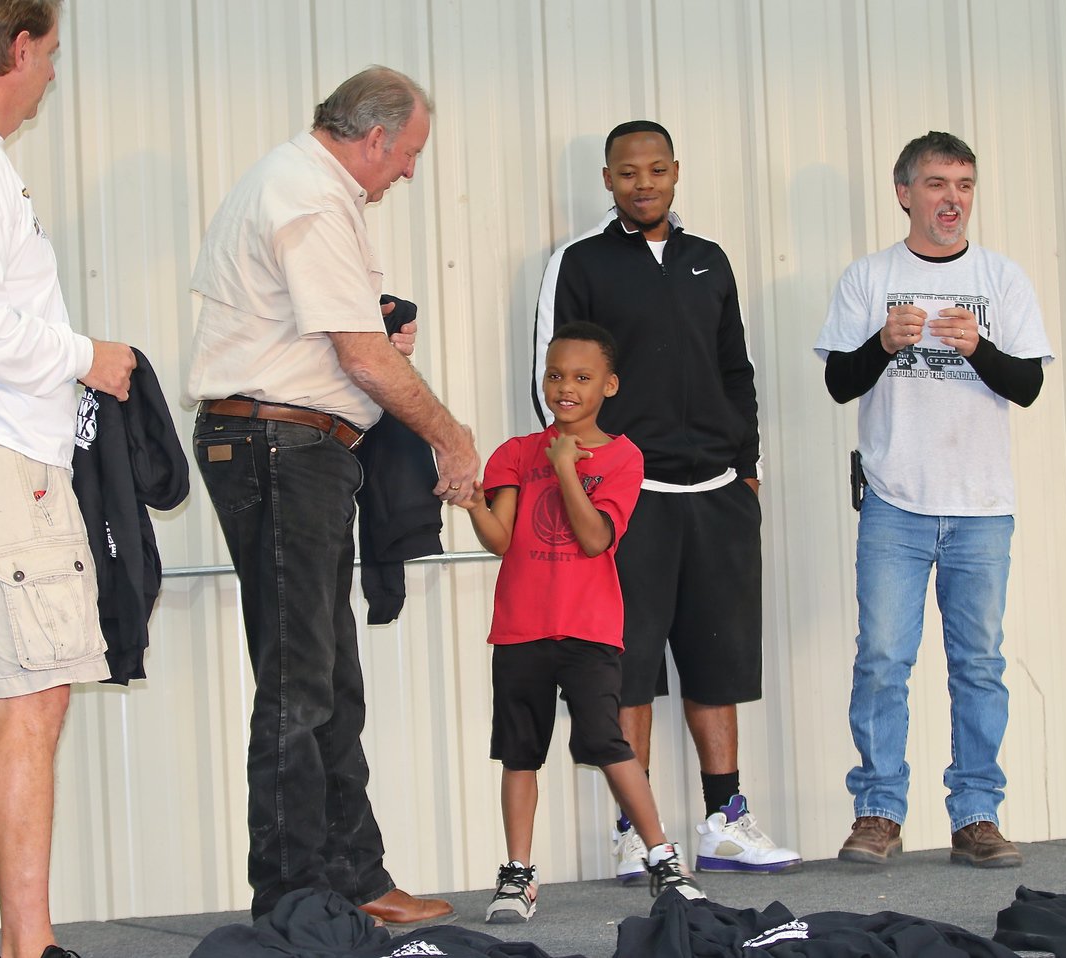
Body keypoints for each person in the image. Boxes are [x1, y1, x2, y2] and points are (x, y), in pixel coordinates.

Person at [186, 66, 479, 924]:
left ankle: (354, 880)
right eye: (411, 153)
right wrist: (450, 437)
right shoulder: (310, 198)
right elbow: (359, 357)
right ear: (376, 136)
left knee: (329, 677)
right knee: (300, 682)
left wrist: (374, 323)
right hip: (280, 445)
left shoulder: (309, 191)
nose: (411, 172)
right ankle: (291, 898)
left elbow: (334, 335)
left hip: (292, 443)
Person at [0, 2, 138, 957]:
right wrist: (89, 353)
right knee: (36, 696)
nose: (51, 75)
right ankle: (29, 947)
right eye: (49, 56)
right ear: (16, 49)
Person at [534, 121, 800, 880]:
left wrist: (745, 466)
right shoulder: (580, 264)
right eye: (627, 172)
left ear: (676, 173)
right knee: (631, 667)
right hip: (631, 498)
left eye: (655, 169)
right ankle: (636, 832)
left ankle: (725, 822)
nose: (642, 183)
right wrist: (588, 478)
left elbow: (736, 369)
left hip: (716, 493)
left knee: (718, 662)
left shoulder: (708, 261)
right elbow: (554, 381)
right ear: (609, 181)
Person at [815, 131, 1052, 868]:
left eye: (965, 184)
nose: (953, 199)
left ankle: (976, 814)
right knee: (883, 659)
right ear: (904, 192)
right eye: (938, 183)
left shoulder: (1004, 278)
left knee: (978, 662)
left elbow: (1030, 386)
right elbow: (838, 384)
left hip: (982, 506)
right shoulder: (868, 277)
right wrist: (883, 343)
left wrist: (979, 347)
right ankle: (878, 811)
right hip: (895, 503)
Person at [456, 322, 703, 923]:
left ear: (609, 385)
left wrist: (565, 466)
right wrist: (470, 504)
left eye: (581, 378)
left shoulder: (623, 456)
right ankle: (517, 876)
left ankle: (664, 860)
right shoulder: (515, 451)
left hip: (589, 629)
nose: (565, 388)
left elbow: (596, 539)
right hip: (520, 629)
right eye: (555, 376)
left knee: (607, 741)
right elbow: (501, 539)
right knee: (520, 752)